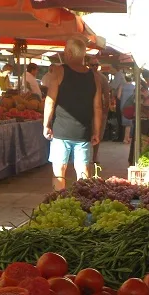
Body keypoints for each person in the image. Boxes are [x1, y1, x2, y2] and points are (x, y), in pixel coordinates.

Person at [43, 38, 102, 190]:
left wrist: (46, 125)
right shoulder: (94, 76)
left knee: (59, 172)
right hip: (84, 133)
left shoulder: (59, 71)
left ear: (68, 52)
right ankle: (83, 205)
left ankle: (58, 205)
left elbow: (50, 101)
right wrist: (96, 131)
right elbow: (98, 107)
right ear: (84, 55)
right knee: (84, 174)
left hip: (61, 132)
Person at [89, 58, 110, 166]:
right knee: (87, 133)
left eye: (96, 65)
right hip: (86, 109)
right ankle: (87, 156)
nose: (94, 67)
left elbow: (107, 95)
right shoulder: (84, 77)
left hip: (99, 110)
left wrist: (106, 109)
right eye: (92, 65)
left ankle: (94, 156)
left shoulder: (102, 78)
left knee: (98, 133)